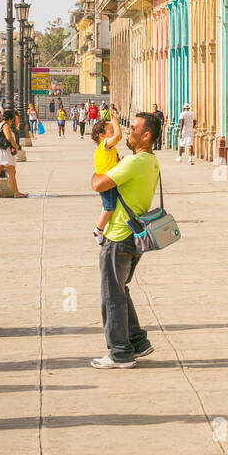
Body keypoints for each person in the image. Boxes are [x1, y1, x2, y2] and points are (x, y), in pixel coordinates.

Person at [90, 111, 161, 368]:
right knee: (121, 289)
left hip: (119, 235)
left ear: (146, 135)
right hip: (134, 235)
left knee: (112, 295)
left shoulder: (133, 164)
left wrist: (94, 177)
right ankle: (138, 342)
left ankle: (120, 353)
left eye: (133, 128)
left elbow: (99, 185)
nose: (127, 132)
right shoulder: (151, 162)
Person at [91, 107, 123, 242]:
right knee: (109, 208)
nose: (114, 132)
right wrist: (115, 121)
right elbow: (119, 136)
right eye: (111, 131)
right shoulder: (105, 144)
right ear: (102, 136)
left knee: (108, 205)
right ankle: (98, 230)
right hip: (108, 182)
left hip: (108, 180)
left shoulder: (106, 148)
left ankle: (104, 227)